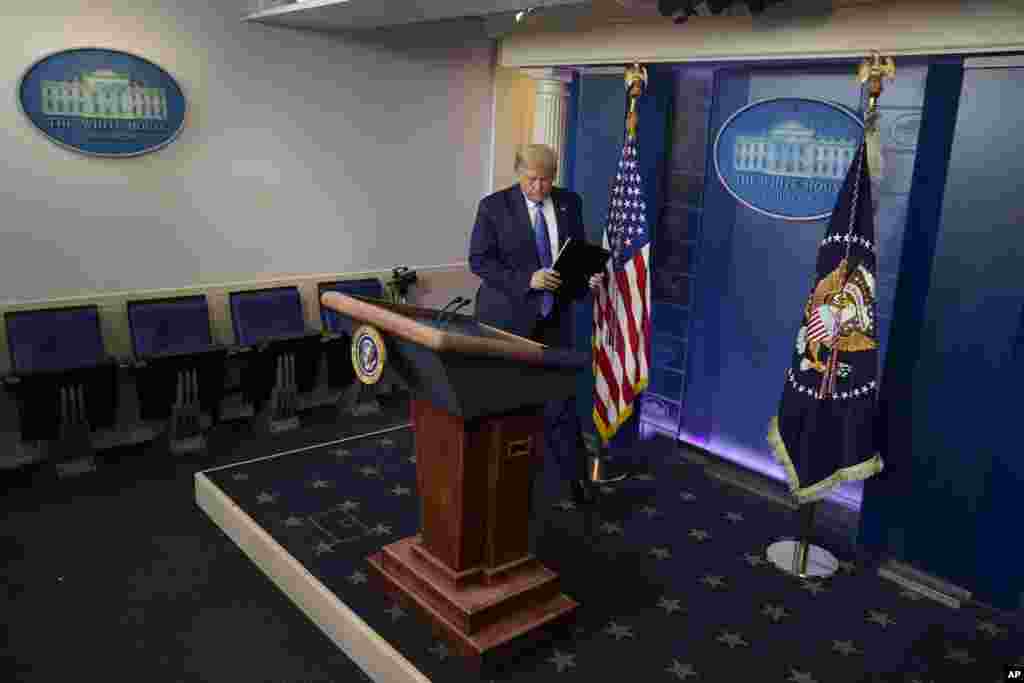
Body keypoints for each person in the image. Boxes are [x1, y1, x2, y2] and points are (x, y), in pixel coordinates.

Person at [469, 144, 603, 505]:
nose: (539, 188)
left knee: (561, 402)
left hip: (554, 320)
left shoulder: (569, 202)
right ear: (517, 172)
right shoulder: (493, 207)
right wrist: (527, 280)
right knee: (503, 402)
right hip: (506, 321)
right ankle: (495, 485)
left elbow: (572, 254)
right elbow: (479, 261)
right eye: (532, 180)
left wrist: (584, 278)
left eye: (546, 180)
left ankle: (571, 487)